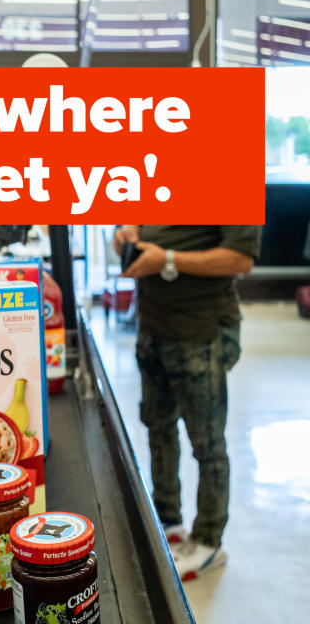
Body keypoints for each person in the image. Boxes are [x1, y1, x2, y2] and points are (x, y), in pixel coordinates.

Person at [114, 225, 261, 581]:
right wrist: (125, 231)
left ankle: (208, 540)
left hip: (201, 331)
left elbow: (240, 259)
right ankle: (168, 519)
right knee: (157, 424)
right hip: (152, 325)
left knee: (207, 442)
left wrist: (166, 259)